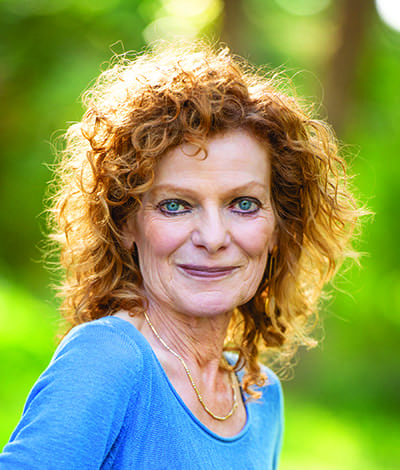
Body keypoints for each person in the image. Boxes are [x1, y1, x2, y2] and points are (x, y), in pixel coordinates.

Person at [0, 41, 363, 469]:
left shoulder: (260, 397)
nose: (213, 237)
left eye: (243, 204)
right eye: (175, 205)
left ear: (279, 228)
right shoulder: (107, 360)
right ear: (125, 224)